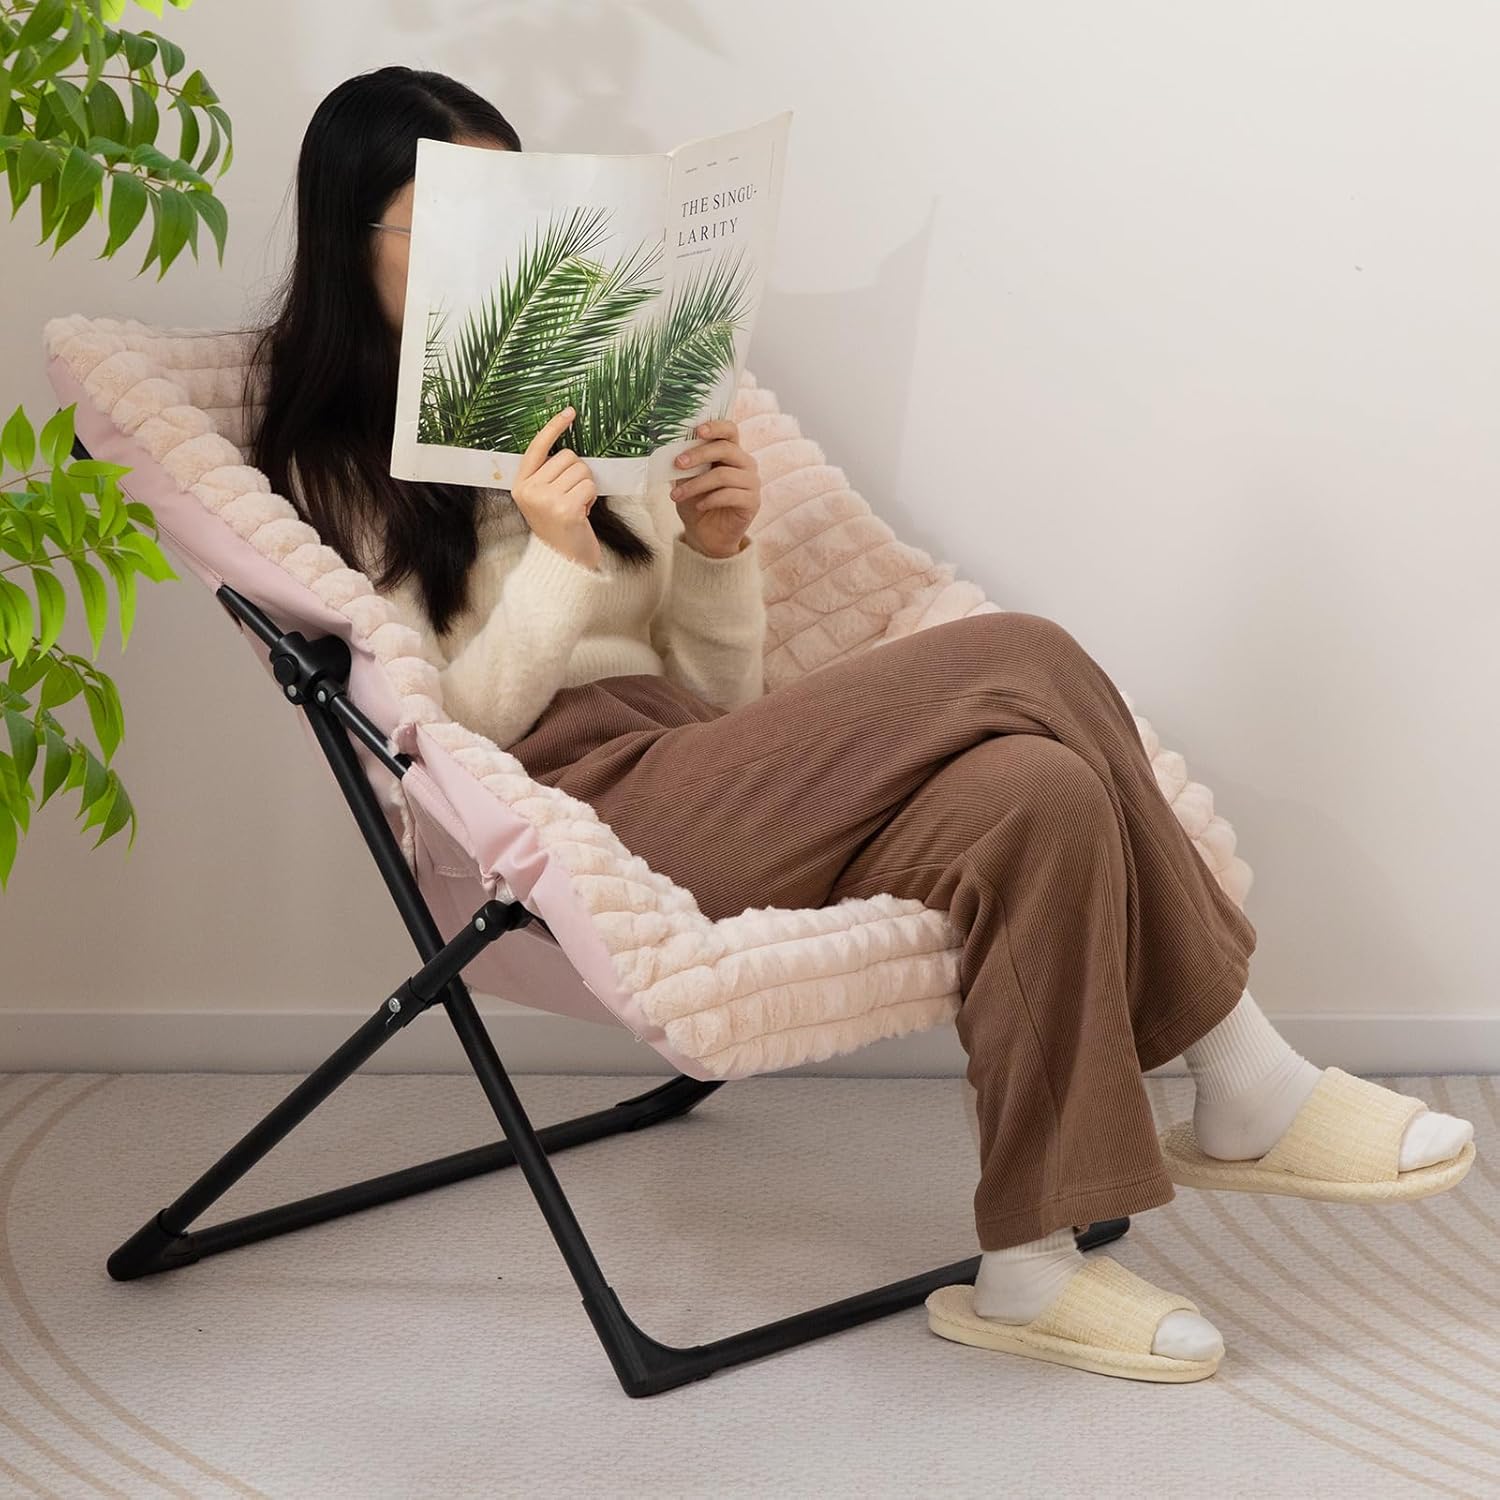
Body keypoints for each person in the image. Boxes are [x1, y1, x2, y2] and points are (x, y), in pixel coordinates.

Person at [246, 66, 1476, 1383]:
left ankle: (1029, 1270)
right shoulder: (332, 466)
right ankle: (1241, 1077)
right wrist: (550, 558)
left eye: (515, 209)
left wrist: (716, 547)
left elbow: (715, 693)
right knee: (1022, 658)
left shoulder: (594, 417)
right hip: (558, 808)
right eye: (446, 216)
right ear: (354, 241)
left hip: (685, 761)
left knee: (1036, 795)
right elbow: (448, 726)